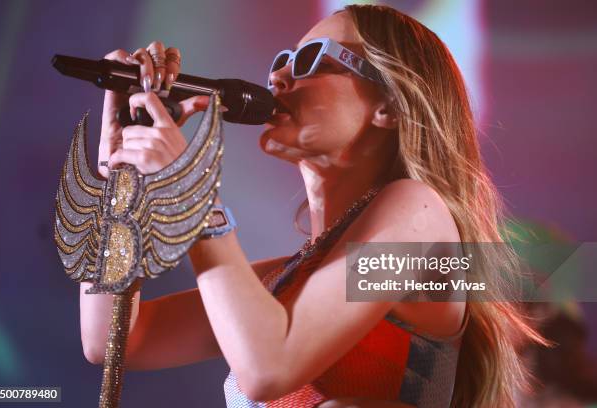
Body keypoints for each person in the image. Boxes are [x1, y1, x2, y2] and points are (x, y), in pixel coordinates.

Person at [80, 4, 545, 407]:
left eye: (309, 60)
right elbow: (116, 340)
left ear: (388, 105)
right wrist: (119, 177)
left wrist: (190, 192)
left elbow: (269, 367)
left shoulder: (421, 214)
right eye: (282, 60)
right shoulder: (284, 282)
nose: (277, 76)